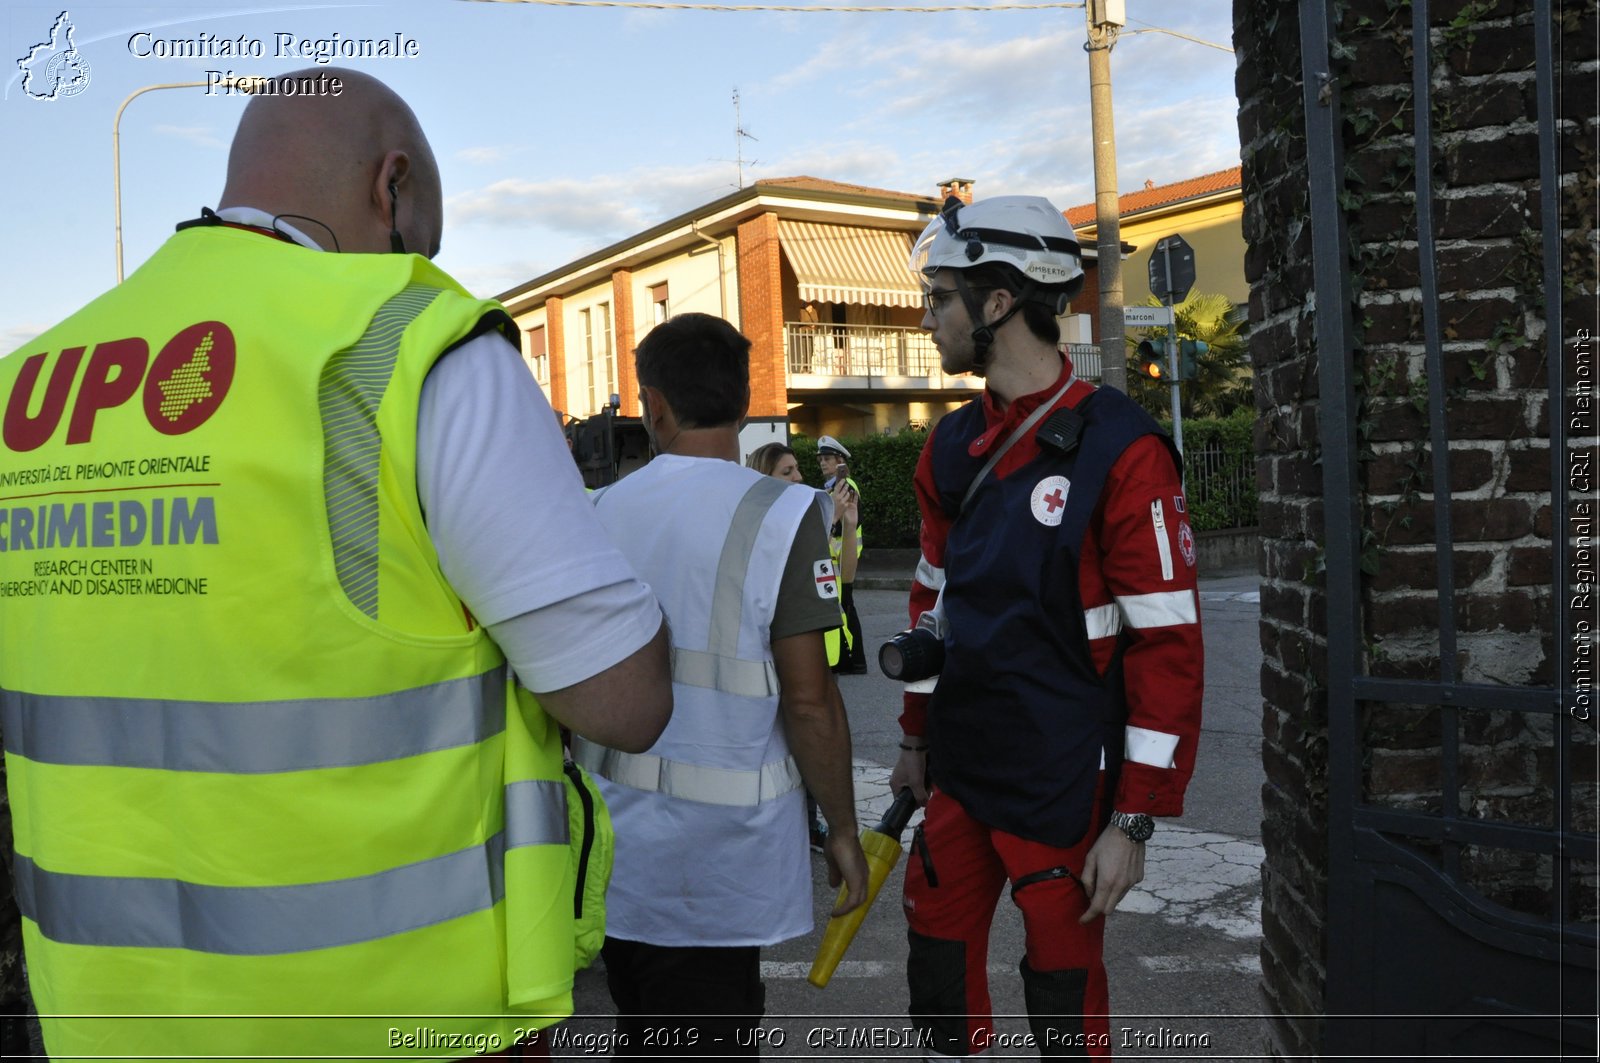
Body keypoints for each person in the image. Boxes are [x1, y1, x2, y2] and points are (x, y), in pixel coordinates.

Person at [0, 69, 673, 1061]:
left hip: (108, 1017)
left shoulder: (30, 388)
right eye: (423, 238)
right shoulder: (407, 343)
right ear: (390, 186)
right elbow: (623, 699)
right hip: (397, 1014)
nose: (417, 265)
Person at [889, 195, 1204, 1057]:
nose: (927, 316)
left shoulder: (1123, 449)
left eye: (940, 297)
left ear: (999, 303)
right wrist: (915, 740)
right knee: (935, 974)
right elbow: (932, 610)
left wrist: (1133, 821)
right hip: (960, 768)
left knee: (1065, 994)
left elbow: (1168, 645)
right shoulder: (948, 447)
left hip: (1064, 782)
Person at [575, 314, 868, 1057]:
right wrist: (840, 827)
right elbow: (809, 699)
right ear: (743, 406)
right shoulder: (787, 511)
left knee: (641, 1025)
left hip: (615, 847)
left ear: (655, 406)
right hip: (722, 863)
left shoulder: (599, 510)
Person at [748, 442, 859, 850]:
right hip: (783, 655)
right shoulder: (767, 529)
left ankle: (812, 824)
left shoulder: (812, 517)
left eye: (798, 470)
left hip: (823, 650)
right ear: (765, 478)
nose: (799, 478)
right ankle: (797, 825)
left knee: (814, 739)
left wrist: (847, 523)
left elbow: (845, 578)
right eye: (787, 472)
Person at [816, 435, 868, 674]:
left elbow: (838, 524)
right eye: (821, 460)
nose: (823, 463)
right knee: (846, 606)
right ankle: (854, 660)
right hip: (839, 556)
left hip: (843, 557)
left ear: (839, 460)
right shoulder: (833, 486)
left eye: (827, 459)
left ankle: (854, 660)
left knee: (845, 606)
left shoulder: (844, 486)